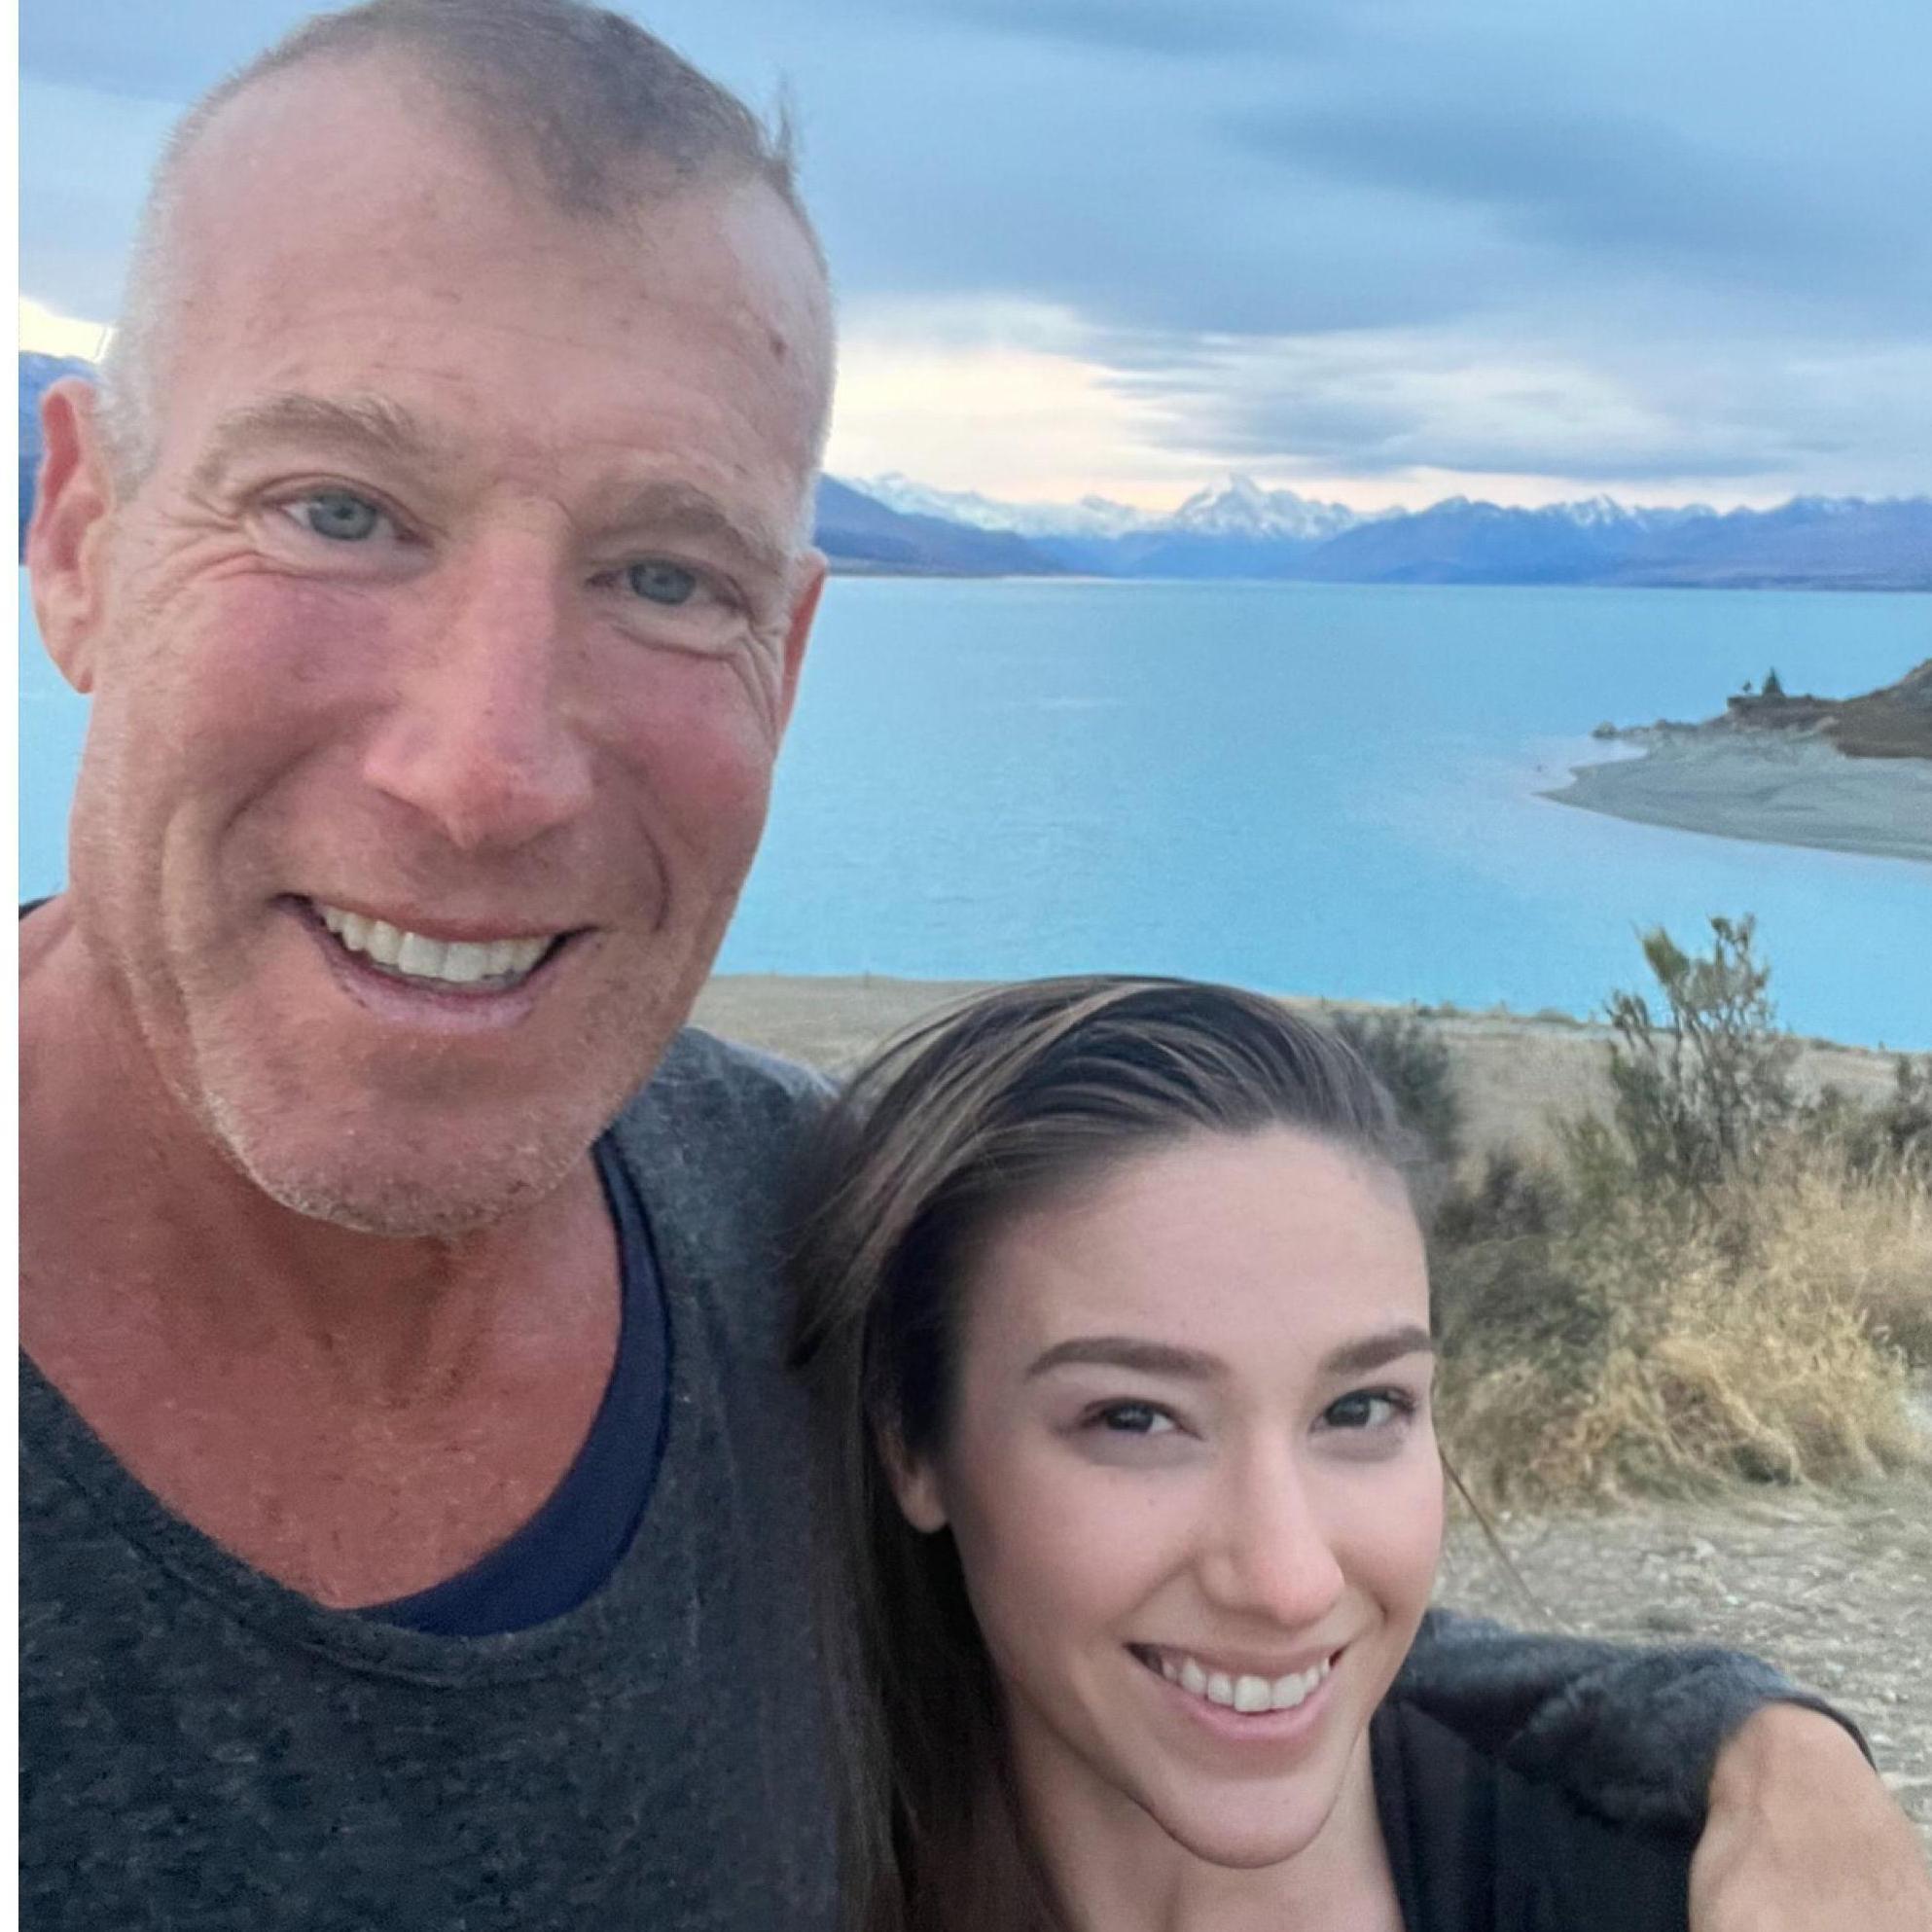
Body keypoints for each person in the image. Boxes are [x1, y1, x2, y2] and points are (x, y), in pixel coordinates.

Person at [18, 4, 1929, 1929]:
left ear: (794, 649)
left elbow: (1227, 1606)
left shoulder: (796, 1246)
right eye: (336, 512)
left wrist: (1748, 1745)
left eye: (668, 578)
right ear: (77, 533)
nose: (488, 771)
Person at [782, 977, 1901, 1930]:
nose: (1288, 1581)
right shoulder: (747, 1866)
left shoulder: (1657, 1898)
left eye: (1361, 1410)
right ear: (912, 1447)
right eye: (1134, 1419)